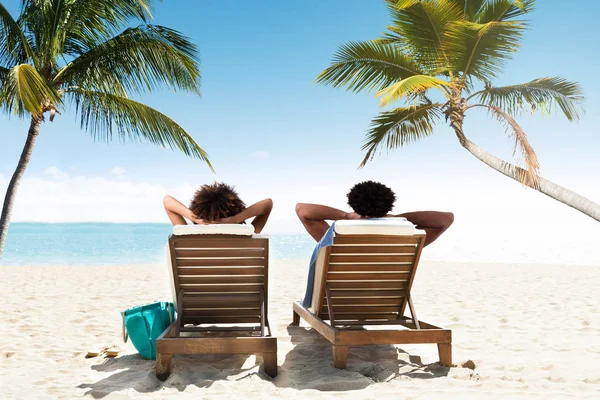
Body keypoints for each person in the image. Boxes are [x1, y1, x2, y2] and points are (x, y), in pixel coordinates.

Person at [295, 180, 453, 246]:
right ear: (388, 205)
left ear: (354, 204)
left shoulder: (336, 239)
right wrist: (396, 218)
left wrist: (346, 216)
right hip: (388, 303)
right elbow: (446, 219)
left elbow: (302, 210)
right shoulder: (404, 240)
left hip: (334, 305)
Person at [163, 182, 273, 234]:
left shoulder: (188, 237)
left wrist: (196, 218)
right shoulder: (247, 236)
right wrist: (235, 219)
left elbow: (167, 201)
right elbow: (268, 204)